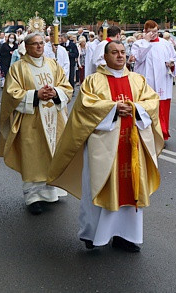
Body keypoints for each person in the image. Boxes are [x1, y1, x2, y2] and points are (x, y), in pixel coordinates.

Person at [48, 40, 163, 252]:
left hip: (132, 145)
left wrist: (135, 108)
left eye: (122, 52)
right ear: (106, 56)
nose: (120, 56)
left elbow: (152, 102)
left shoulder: (137, 80)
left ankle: (126, 236)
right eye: (114, 53)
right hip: (103, 148)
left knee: (130, 187)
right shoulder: (93, 81)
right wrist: (112, 109)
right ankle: (92, 235)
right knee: (98, 187)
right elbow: (84, 108)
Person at [0, 32, 73, 214]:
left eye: (41, 43)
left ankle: (50, 192)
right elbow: (11, 93)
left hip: (54, 118)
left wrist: (55, 93)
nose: (39, 47)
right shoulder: (18, 68)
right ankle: (32, 197)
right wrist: (35, 95)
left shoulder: (52, 64)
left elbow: (66, 86)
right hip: (31, 119)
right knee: (33, 156)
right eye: (35, 44)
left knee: (53, 154)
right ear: (27, 46)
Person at [131, 21, 176, 141]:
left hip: (163, 81)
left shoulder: (166, 44)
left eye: (156, 31)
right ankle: (148, 134)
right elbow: (139, 59)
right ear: (145, 32)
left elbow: (175, 57)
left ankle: (162, 134)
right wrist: (146, 42)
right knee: (147, 109)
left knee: (162, 110)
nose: (154, 34)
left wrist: (172, 65)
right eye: (151, 32)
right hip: (147, 82)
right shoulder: (139, 44)